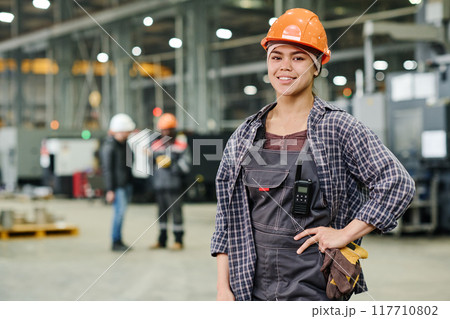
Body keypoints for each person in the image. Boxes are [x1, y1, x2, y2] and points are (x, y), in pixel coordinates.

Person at [210, 8, 415, 301]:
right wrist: (223, 288)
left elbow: (397, 184)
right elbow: (226, 216)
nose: (285, 67)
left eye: (298, 57)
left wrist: (345, 234)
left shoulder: (337, 127)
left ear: (317, 65)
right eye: (277, 56)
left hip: (314, 283)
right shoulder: (246, 134)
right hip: (250, 284)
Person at [149, 113, 191, 250]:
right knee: (161, 214)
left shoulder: (181, 144)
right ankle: (162, 240)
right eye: (164, 130)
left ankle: (178, 240)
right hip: (160, 185)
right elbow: (150, 165)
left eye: (169, 129)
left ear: (174, 130)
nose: (166, 132)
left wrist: (173, 165)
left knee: (176, 213)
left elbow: (186, 165)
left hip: (174, 185)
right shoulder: (155, 145)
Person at [101, 113, 136, 252]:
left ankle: (119, 239)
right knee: (119, 213)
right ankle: (115, 241)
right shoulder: (109, 147)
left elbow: (130, 163)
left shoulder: (125, 145)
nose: (129, 134)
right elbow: (107, 170)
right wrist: (110, 190)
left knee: (122, 213)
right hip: (117, 187)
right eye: (127, 131)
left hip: (126, 184)